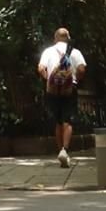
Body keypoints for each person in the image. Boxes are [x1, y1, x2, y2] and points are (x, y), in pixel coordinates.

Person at [37, 27, 86, 167]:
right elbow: (82, 69)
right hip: (70, 89)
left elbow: (40, 68)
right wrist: (76, 79)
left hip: (52, 90)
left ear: (55, 38)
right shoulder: (75, 52)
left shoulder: (48, 51)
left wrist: (49, 80)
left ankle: (60, 150)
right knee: (67, 120)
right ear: (68, 38)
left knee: (58, 121)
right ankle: (65, 150)